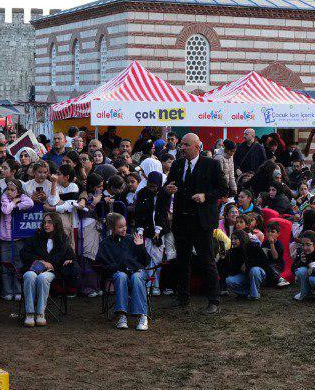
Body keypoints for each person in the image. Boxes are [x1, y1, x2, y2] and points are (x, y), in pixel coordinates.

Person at [165, 133, 229, 314]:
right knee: (182, 260)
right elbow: (168, 185)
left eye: (186, 145)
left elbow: (223, 189)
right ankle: (183, 297)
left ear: (196, 147)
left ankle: (213, 300)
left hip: (202, 222)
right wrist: (169, 189)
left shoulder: (211, 165)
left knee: (206, 260)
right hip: (181, 220)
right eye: (182, 144)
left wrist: (205, 196)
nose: (182, 147)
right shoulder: (177, 164)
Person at [95, 212, 152, 330]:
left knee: (136, 277)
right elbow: (100, 265)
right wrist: (118, 267)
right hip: (118, 273)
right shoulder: (105, 244)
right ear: (112, 228)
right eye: (120, 227)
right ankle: (122, 315)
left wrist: (140, 247)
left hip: (137, 272)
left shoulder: (133, 239)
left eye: (125, 225)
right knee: (121, 276)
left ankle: (142, 316)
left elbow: (146, 261)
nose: (124, 228)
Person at [19, 210, 75, 327]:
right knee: (29, 275)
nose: (46, 225)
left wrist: (68, 260)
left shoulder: (63, 239)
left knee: (43, 278)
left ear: (56, 223)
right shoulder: (36, 237)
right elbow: (23, 254)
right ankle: (29, 313)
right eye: (44, 222)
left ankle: (40, 313)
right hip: (35, 267)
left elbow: (70, 257)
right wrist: (40, 261)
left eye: (49, 222)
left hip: (53, 270)